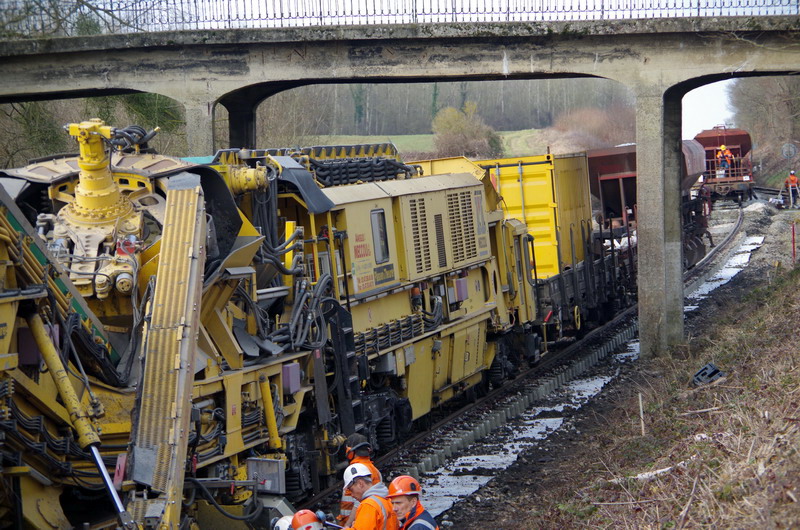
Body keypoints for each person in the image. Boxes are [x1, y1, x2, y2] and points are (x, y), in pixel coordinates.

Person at [339, 434, 382, 525]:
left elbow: (358, 504)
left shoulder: (355, 472)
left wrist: (347, 525)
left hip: (356, 522)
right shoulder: (374, 470)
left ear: (350, 453)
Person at [341, 463, 399, 530]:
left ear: (360, 484)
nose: (352, 495)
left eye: (351, 489)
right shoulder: (386, 500)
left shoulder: (368, 505)